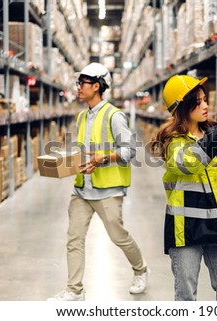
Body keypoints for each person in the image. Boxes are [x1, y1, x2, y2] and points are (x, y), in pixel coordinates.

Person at [49, 63, 149, 301]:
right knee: (74, 238)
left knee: (118, 236)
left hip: (108, 190)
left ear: (96, 86)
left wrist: (103, 158)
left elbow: (129, 151)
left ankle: (141, 269)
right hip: (83, 189)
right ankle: (75, 290)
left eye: (82, 83)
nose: (78, 88)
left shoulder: (114, 116)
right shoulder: (83, 116)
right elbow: (85, 149)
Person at [150, 74, 217, 301]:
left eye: (205, 99)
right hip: (186, 228)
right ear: (183, 106)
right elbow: (191, 163)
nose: (205, 105)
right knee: (186, 295)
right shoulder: (173, 141)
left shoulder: (213, 133)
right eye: (199, 101)